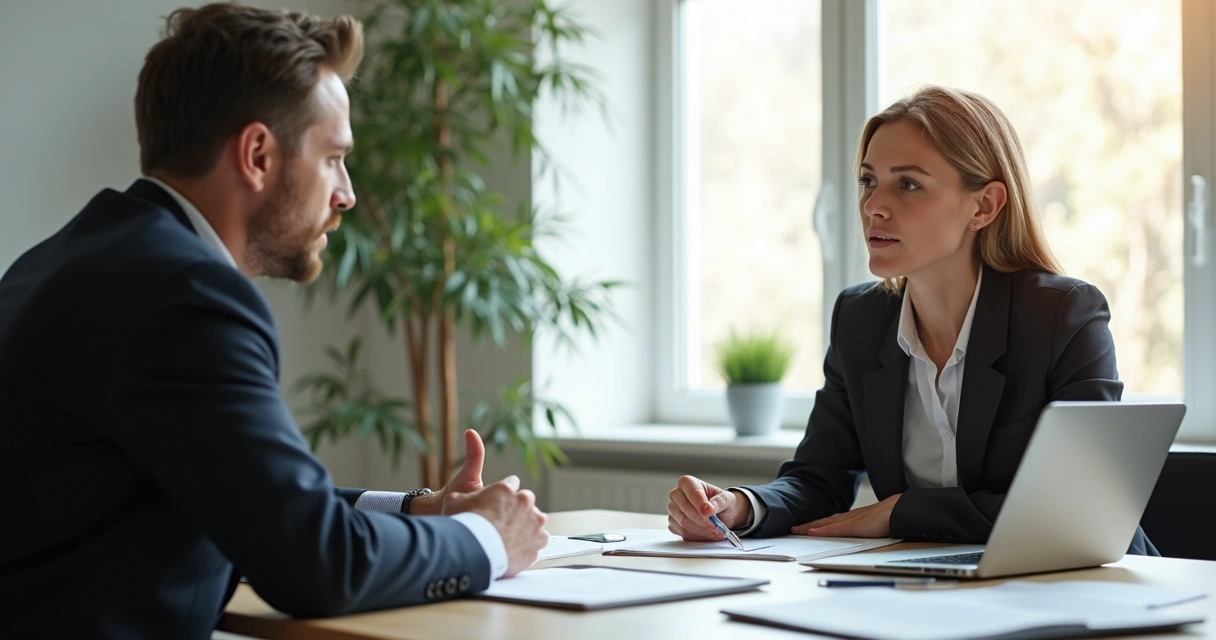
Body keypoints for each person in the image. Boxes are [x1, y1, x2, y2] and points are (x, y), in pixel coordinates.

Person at [0, 4, 547, 638]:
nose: (345, 193)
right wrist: (488, 538)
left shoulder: (61, 263)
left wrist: (424, 509)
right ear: (258, 154)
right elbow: (317, 564)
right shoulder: (186, 295)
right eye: (332, 158)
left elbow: (250, 500)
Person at [666, 85, 1157, 556]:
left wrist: (902, 511)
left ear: (983, 206)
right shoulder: (859, 320)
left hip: (1086, 586)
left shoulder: (1063, 316)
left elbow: (1077, 511)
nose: (873, 206)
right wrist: (739, 507)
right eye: (868, 181)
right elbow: (819, 478)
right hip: (929, 588)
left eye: (908, 184)